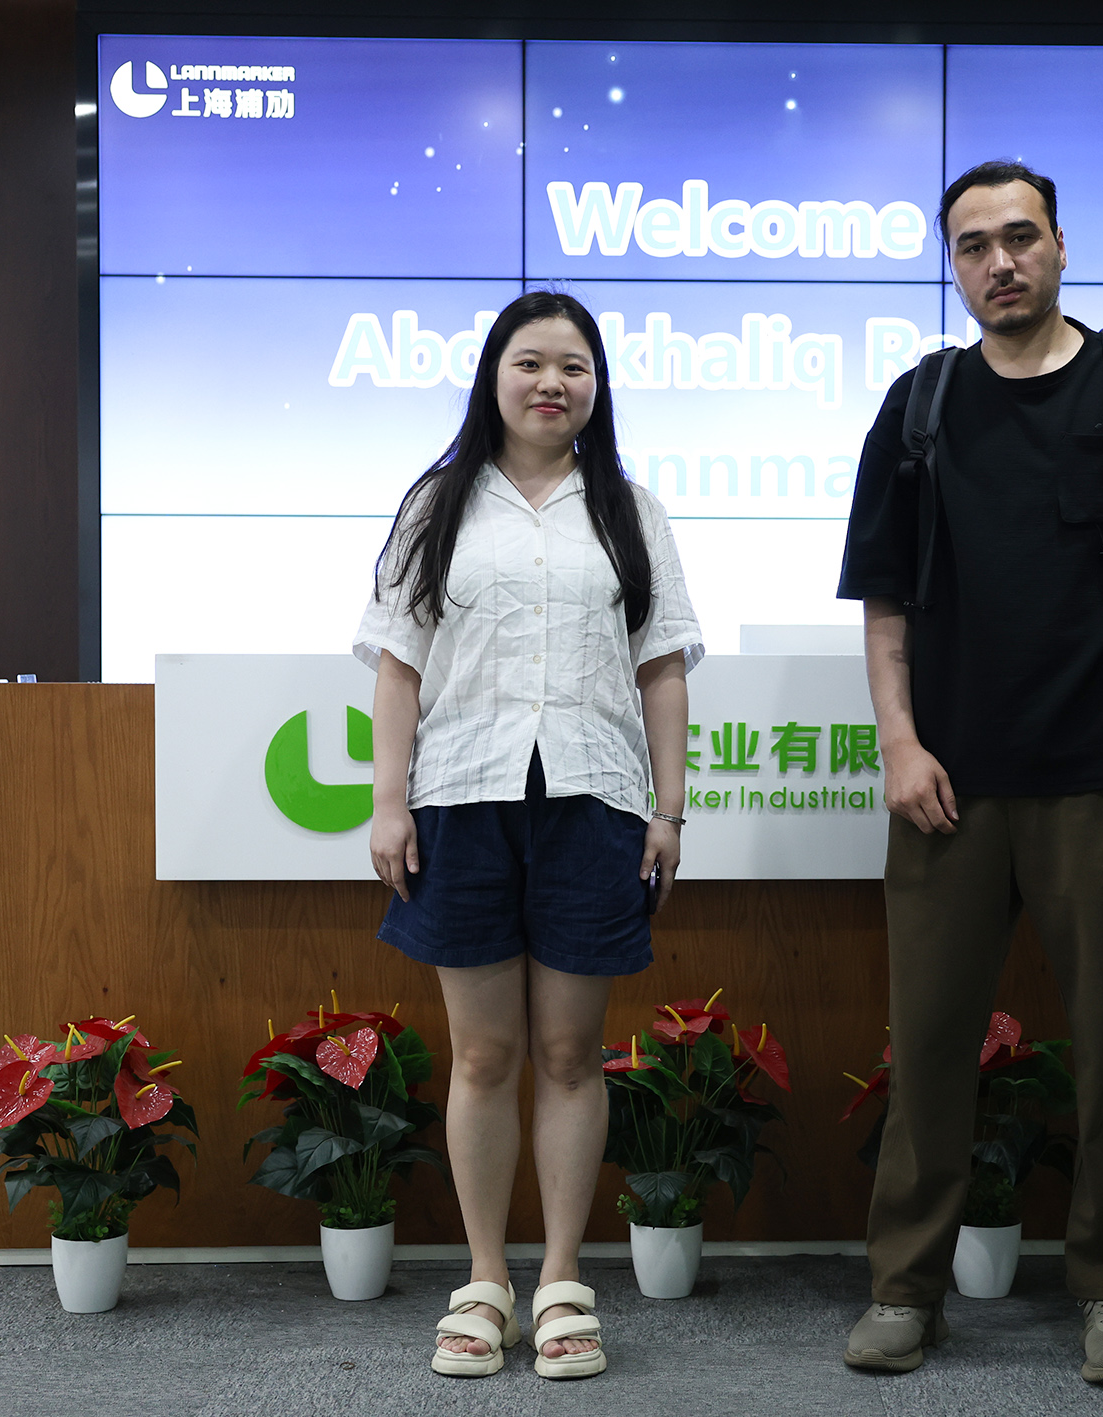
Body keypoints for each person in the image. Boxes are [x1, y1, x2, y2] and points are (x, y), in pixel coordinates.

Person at [836, 161, 1103, 1387]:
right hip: (947, 788)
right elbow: (885, 605)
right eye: (973, 246)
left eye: (1019, 237)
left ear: (1062, 245)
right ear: (953, 268)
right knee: (930, 1047)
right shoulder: (921, 406)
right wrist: (899, 743)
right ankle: (904, 1288)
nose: (999, 262)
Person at [355, 290, 702, 1382]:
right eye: (531, 363)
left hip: (594, 799)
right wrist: (389, 799)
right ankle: (482, 1280)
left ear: (598, 386)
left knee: (567, 1054)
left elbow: (661, 667)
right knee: (484, 1054)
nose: (554, 382)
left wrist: (668, 807)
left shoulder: (631, 510)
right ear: (493, 377)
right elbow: (398, 665)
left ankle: (559, 1281)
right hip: (462, 796)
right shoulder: (438, 503)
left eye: (575, 366)